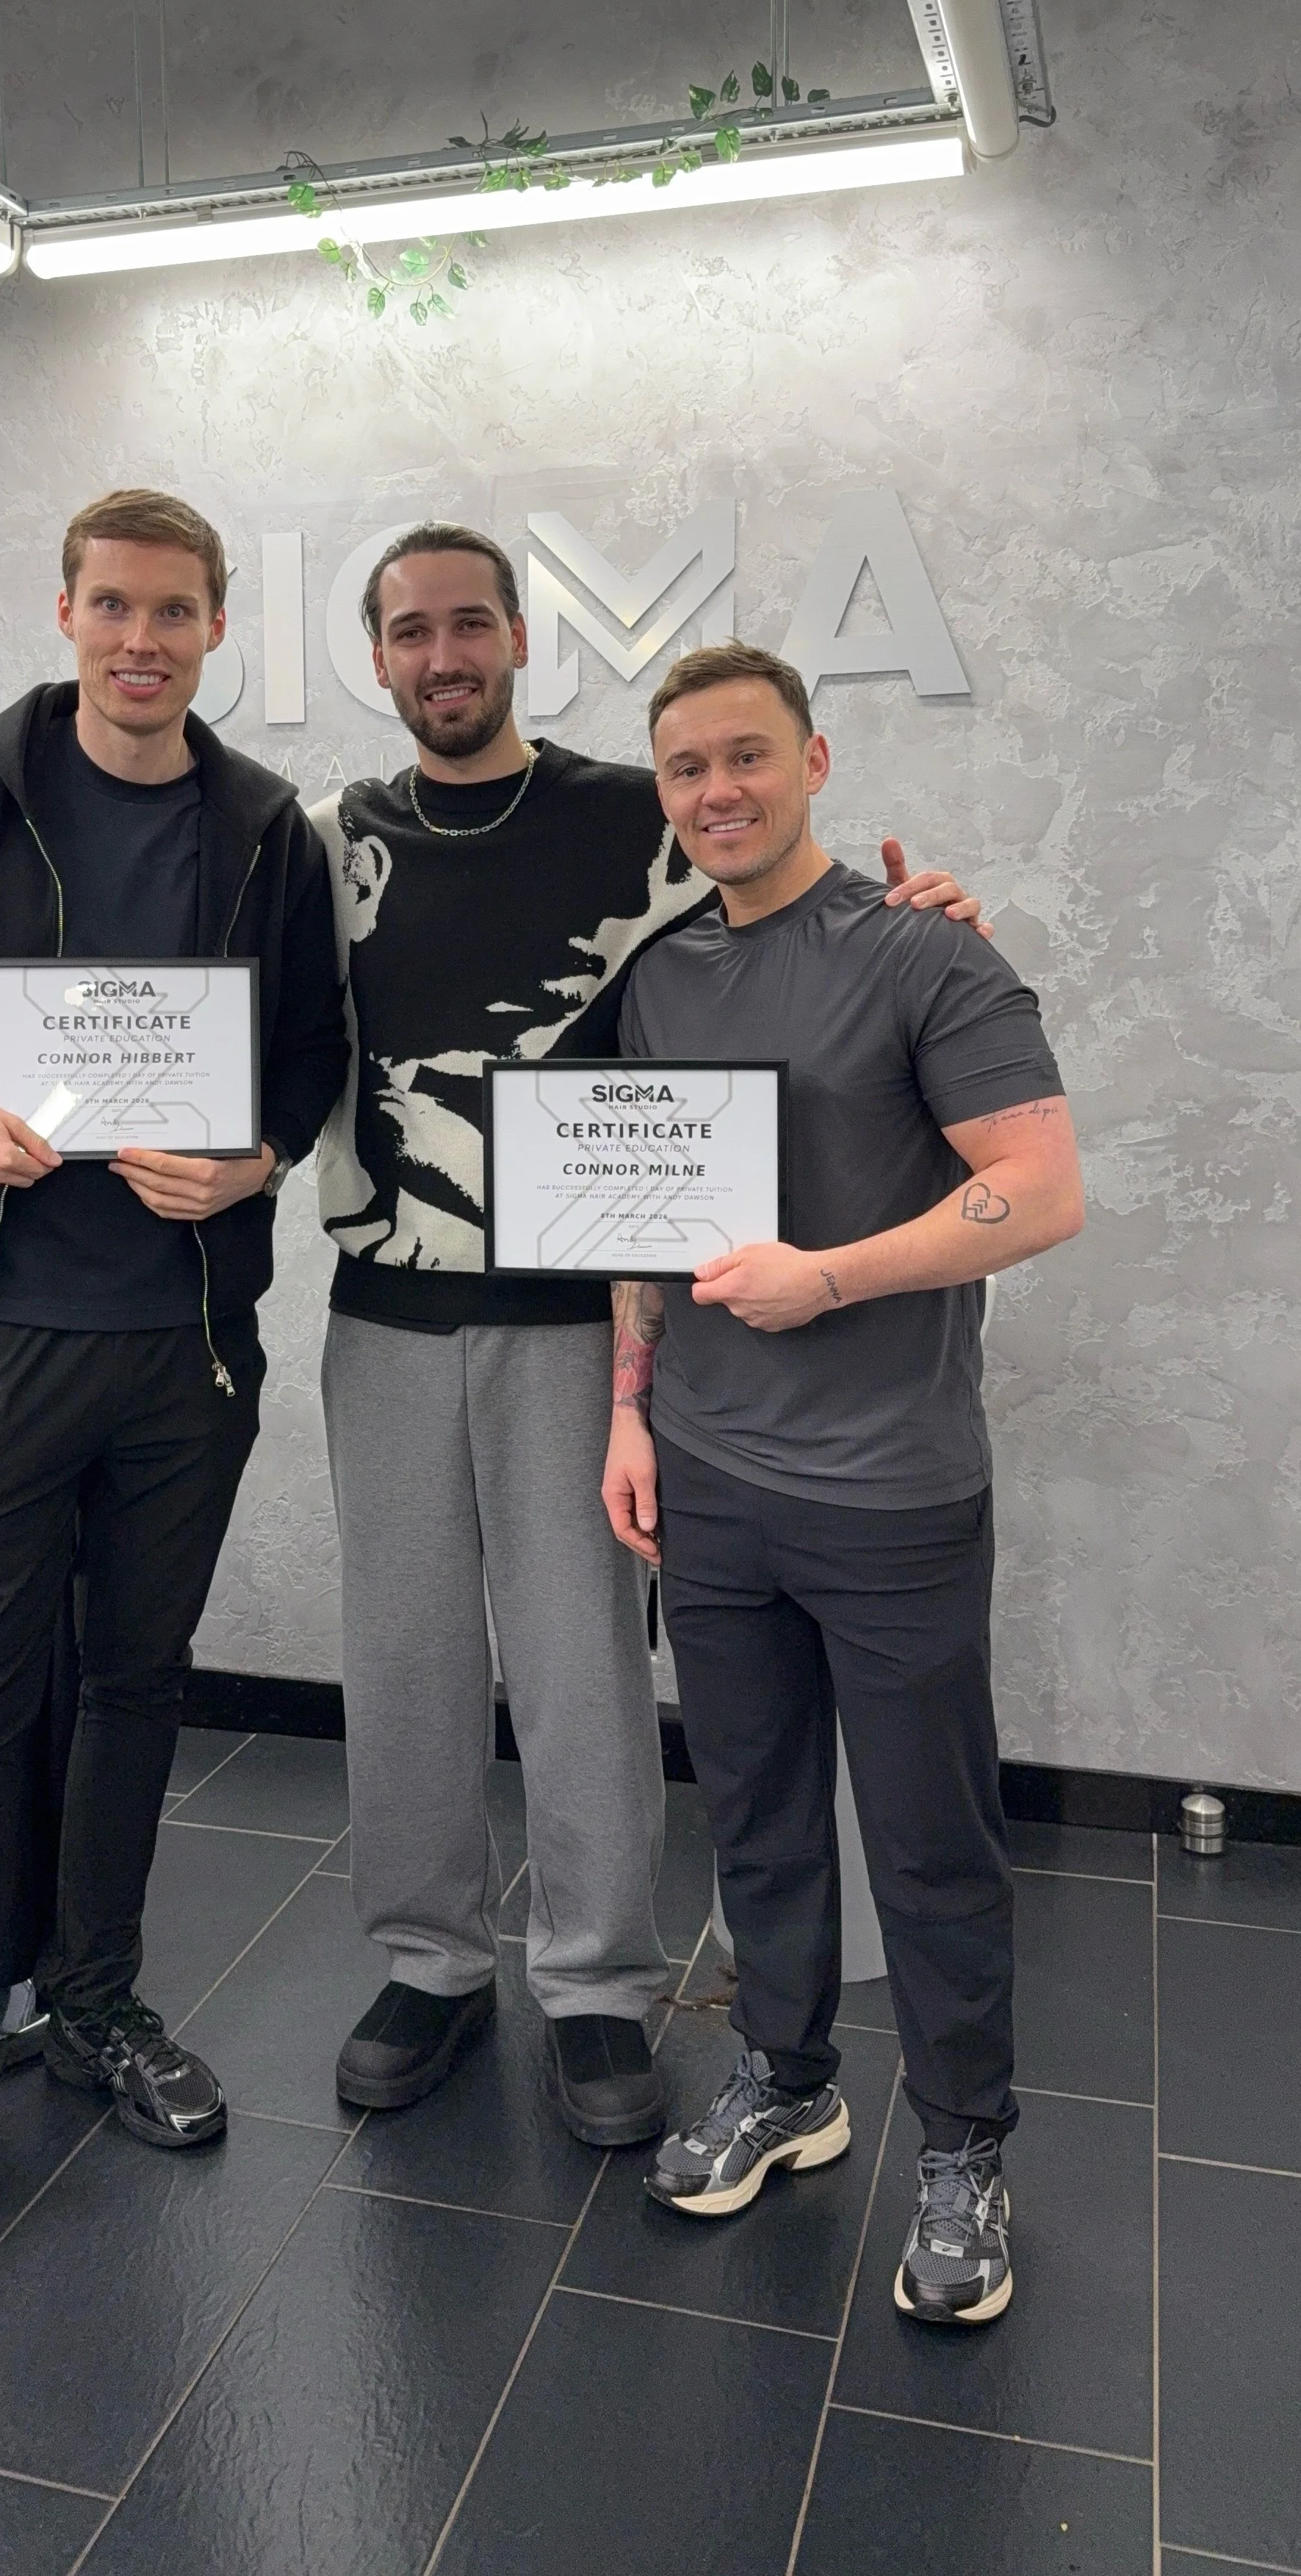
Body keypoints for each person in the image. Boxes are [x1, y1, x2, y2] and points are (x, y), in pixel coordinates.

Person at [310, 524, 984, 2151]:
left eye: (472, 624)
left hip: (584, 1321)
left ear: (521, 640)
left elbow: (793, 920)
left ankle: (599, 1985)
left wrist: (929, 914)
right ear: (380, 656)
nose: (444, 654)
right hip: (384, 1309)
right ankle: (426, 1958)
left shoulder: (640, 816)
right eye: (412, 632)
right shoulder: (326, 839)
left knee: (581, 1661)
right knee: (400, 1656)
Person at [0, 488, 346, 2315]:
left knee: (135, 1687)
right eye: (113, 606)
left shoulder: (264, 829)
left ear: (216, 627)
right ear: (67, 611)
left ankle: (96, 2004)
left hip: (183, 1347)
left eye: (176, 611)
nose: (142, 639)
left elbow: (318, 1055)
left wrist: (256, 1158)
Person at [603, 637, 1084, 2325]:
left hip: (892, 1490)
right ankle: (791, 2077)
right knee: (751, 1812)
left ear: (816, 760)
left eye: (746, 757)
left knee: (934, 1841)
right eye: (686, 770)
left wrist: (834, 1274)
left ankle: (962, 2148)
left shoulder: (929, 958)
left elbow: (1042, 1191)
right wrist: (628, 1412)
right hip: (715, 1478)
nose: (718, 792)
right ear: (664, 797)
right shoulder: (658, 980)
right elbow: (640, 1224)